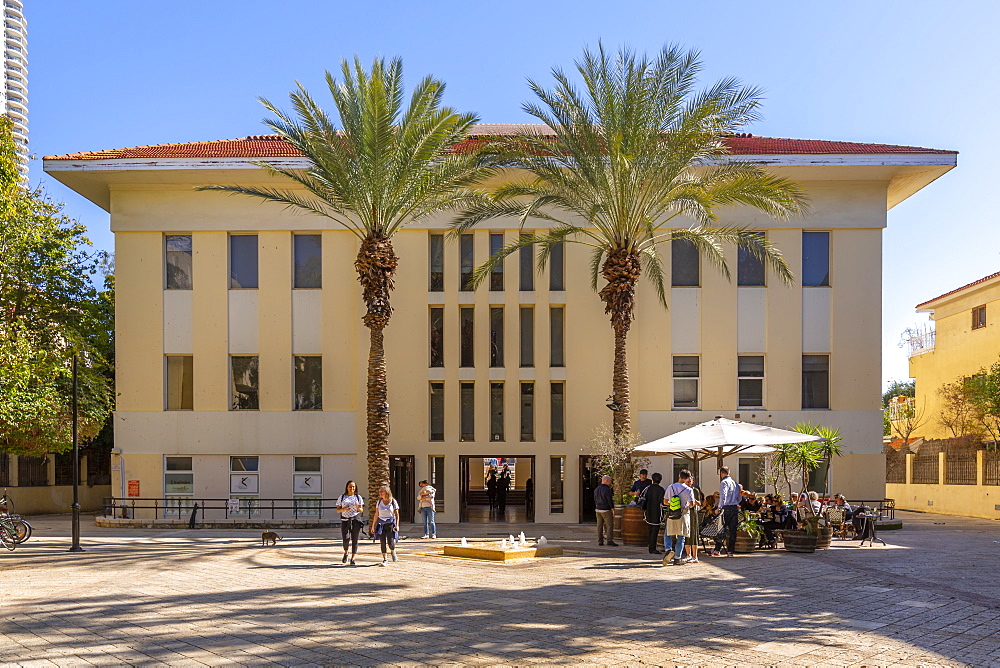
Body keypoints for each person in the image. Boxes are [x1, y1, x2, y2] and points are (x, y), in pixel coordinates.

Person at [662, 469, 695, 566]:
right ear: (687, 478)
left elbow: (665, 502)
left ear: (679, 476)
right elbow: (692, 504)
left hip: (672, 513)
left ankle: (668, 550)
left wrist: (673, 504)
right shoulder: (689, 489)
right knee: (681, 536)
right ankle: (677, 558)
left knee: (667, 533)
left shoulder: (670, 487)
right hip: (683, 514)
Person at [335, 480, 364, 565]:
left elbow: (361, 510)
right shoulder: (342, 497)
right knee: (346, 539)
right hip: (345, 520)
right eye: (350, 487)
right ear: (347, 487)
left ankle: (353, 558)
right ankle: (346, 552)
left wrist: (357, 507)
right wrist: (344, 509)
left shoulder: (358, 497)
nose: (352, 488)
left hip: (355, 520)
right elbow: (337, 509)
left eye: (353, 487)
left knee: (355, 539)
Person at [370, 485, 400, 566]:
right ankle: (385, 559)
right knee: (382, 541)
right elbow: (376, 514)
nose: (380, 493)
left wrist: (397, 525)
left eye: (381, 491)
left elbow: (396, 514)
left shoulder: (393, 501)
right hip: (381, 524)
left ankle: (393, 551)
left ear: (386, 492)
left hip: (390, 523)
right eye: (379, 491)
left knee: (390, 541)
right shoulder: (379, 502)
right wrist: (373, 526)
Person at [718, 466, 741, 557]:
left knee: (721, 529)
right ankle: (730, 551)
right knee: (732, 530)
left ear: (721, 473)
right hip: (734, 507)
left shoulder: (724, 482)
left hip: (726, 508)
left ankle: (717, 549)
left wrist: (719, 507)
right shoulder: (735, 483)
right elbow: (739, 498)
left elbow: (723, 495)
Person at [642, 472, 666, 555]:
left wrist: (644, 508)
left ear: (652, 480)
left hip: (648, 511)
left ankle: (650, 546)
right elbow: (663, 502)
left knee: (650, 530)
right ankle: (652, 548)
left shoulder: (648, 488)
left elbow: (643, 499)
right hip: (658, 512)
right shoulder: (661, 490)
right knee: (655, 531)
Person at [593, 475, 617, 546]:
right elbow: (609, 500)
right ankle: (609, 540)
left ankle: (600, 541)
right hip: (605, 509)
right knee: (609, 524)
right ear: (606, 481)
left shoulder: (596, 489)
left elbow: (595, 499)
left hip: (598, 509)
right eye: (609, 481)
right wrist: (612, 508)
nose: (610, 482)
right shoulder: (607, 490)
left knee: (599, 525)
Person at [685, 474, 704, 563]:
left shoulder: (695, 490)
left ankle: (695, 556)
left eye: (690, 481)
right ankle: (688, 555)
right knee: (686, 533)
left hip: (693, 513)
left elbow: (700, 503)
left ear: (693, 482)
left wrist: (694, 501)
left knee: (694, 534)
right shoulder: (683, 490)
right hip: (685, 513)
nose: (688, 483)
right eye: (687, 481)